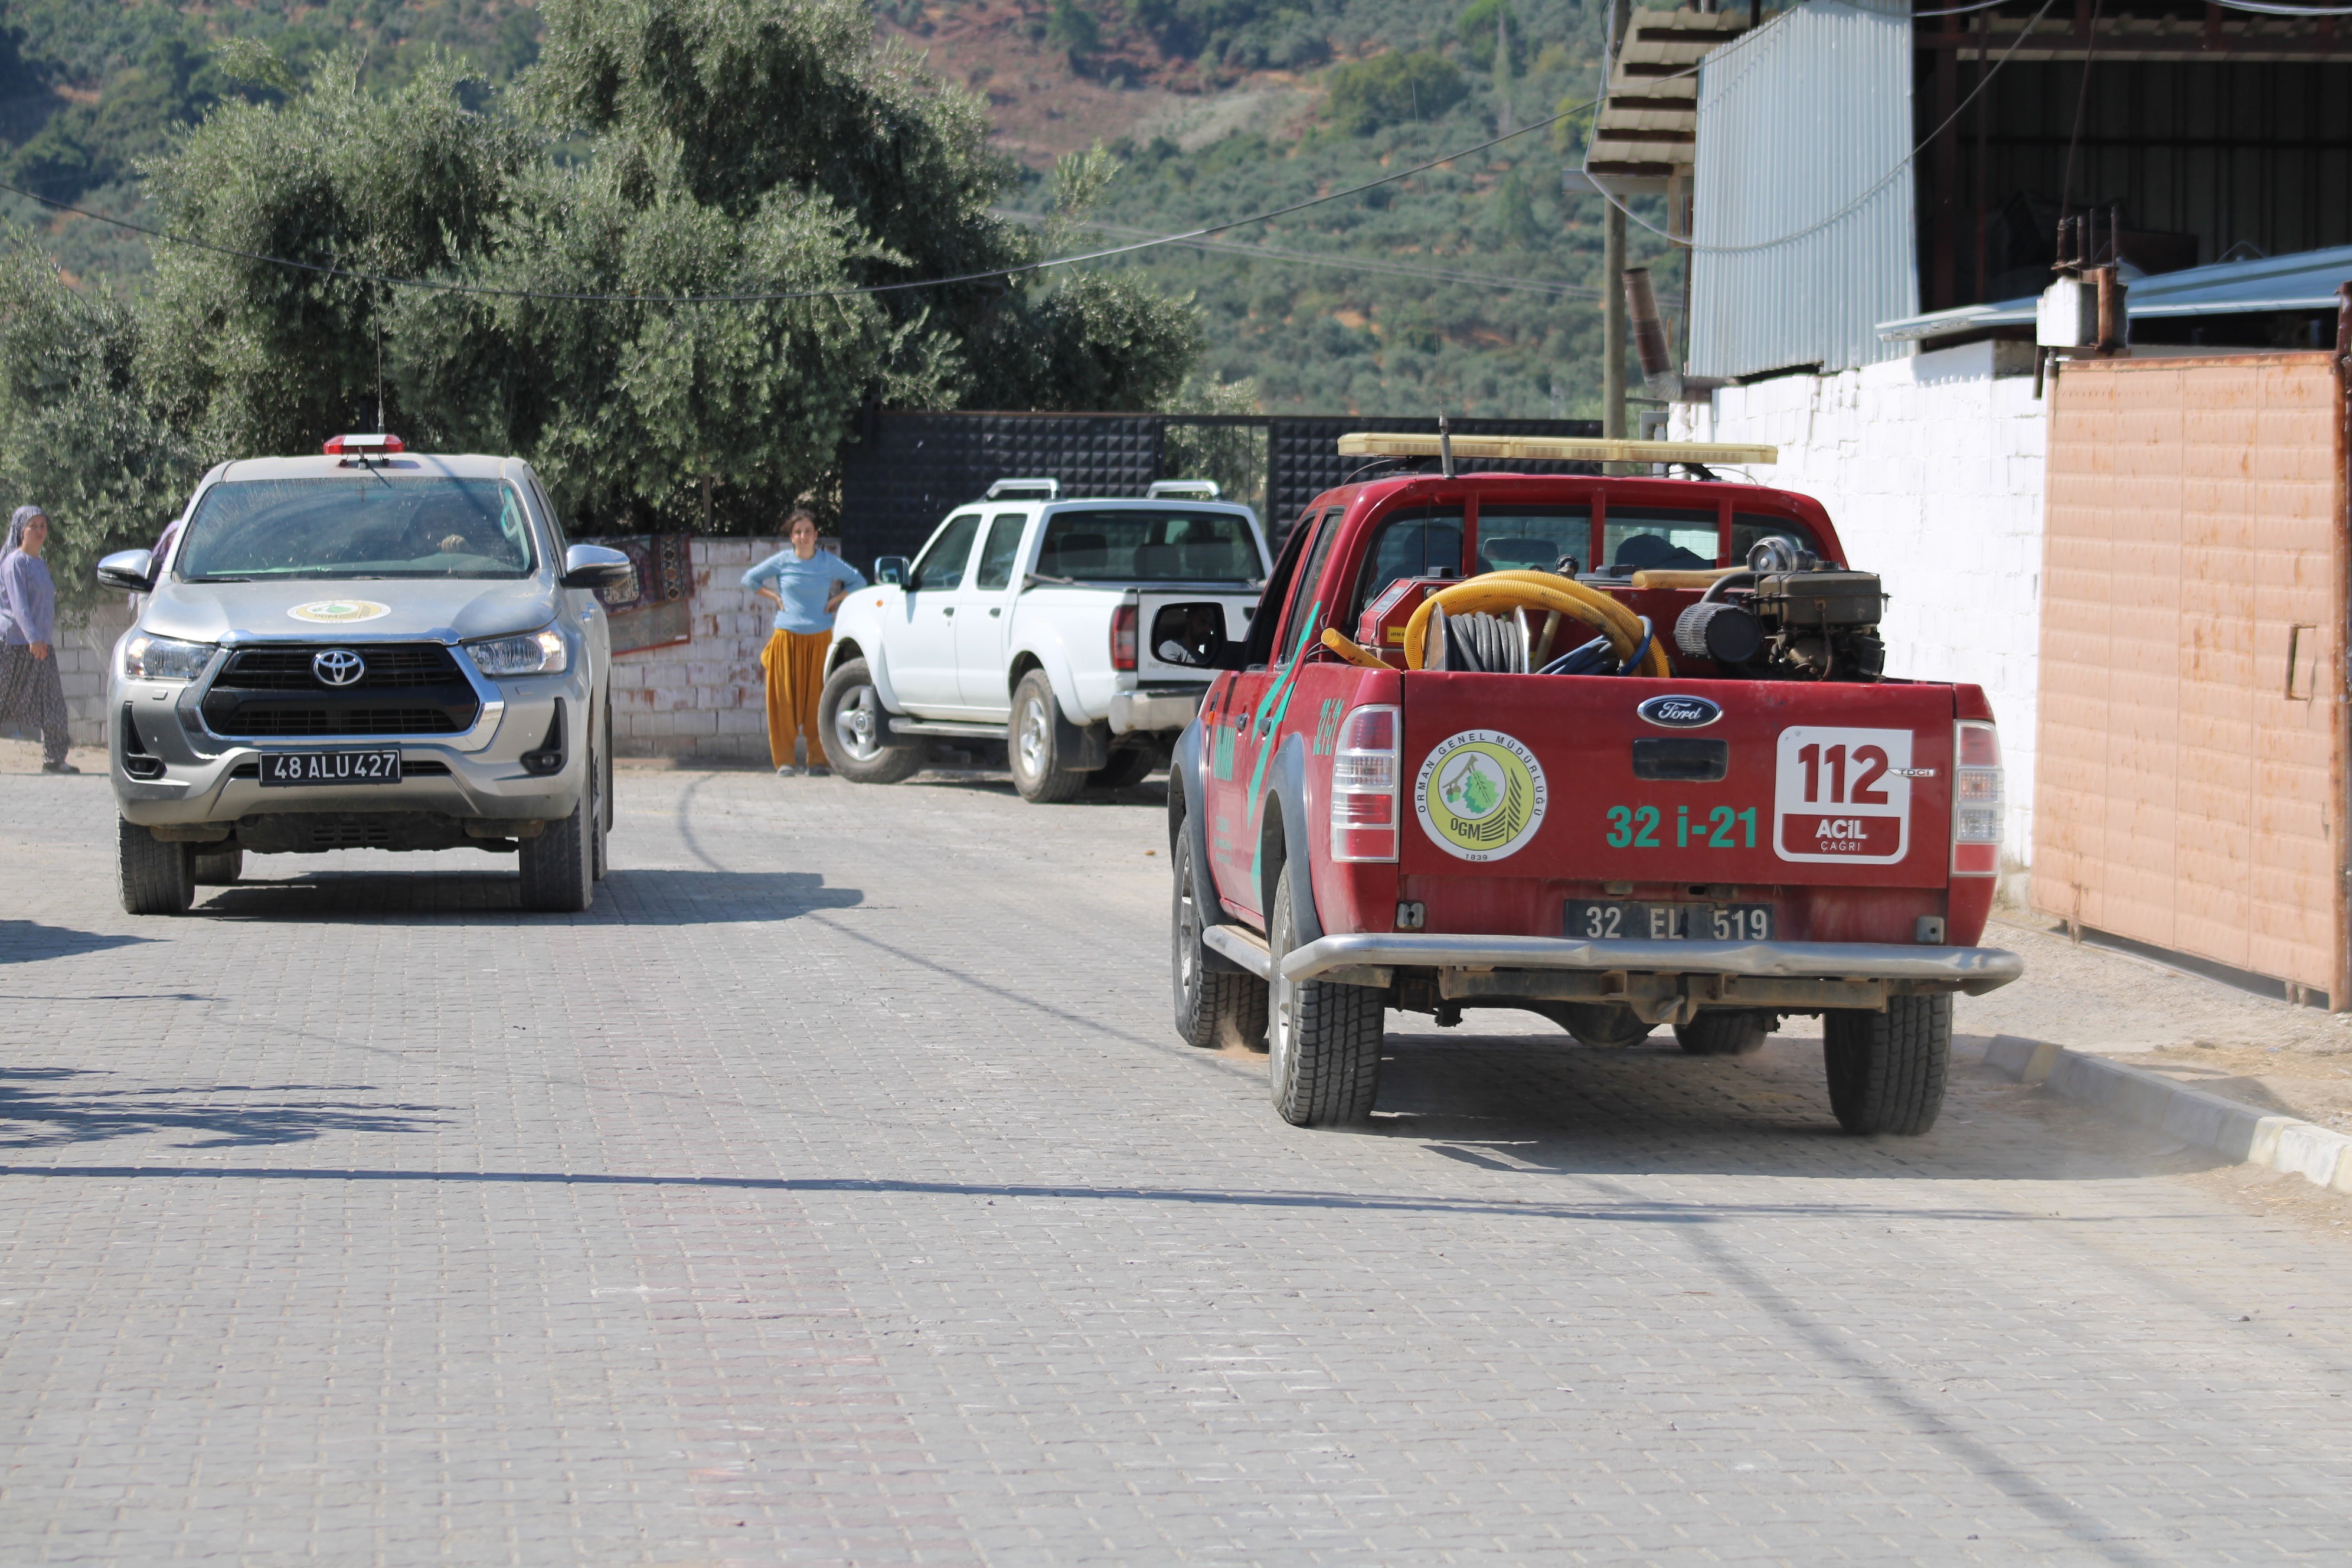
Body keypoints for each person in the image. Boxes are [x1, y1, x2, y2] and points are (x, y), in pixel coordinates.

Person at [743, 508, 864, 775]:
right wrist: (774, 598)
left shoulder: (827, 562)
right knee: (783, 702)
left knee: (820, 702)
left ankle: (818, 762)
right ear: (792, 537)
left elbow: (859, 581)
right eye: (798, 532)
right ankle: (785, 762)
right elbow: (749, 579)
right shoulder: (782, 561)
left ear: (816, 535)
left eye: (808, 531)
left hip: (821, 639)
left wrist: (835, 600)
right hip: (786, 639)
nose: (803, 536)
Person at [0, 505, 75, 773]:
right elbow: (19, 606)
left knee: (53, 702)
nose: (40, 531)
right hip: (16, 645)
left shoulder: (40, 564)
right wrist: (33, 638)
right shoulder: (15, 563)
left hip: (41, 646)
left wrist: (41, 640)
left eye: (43, 525)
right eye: (34, 526)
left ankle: (55, 759)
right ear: (21, 530)